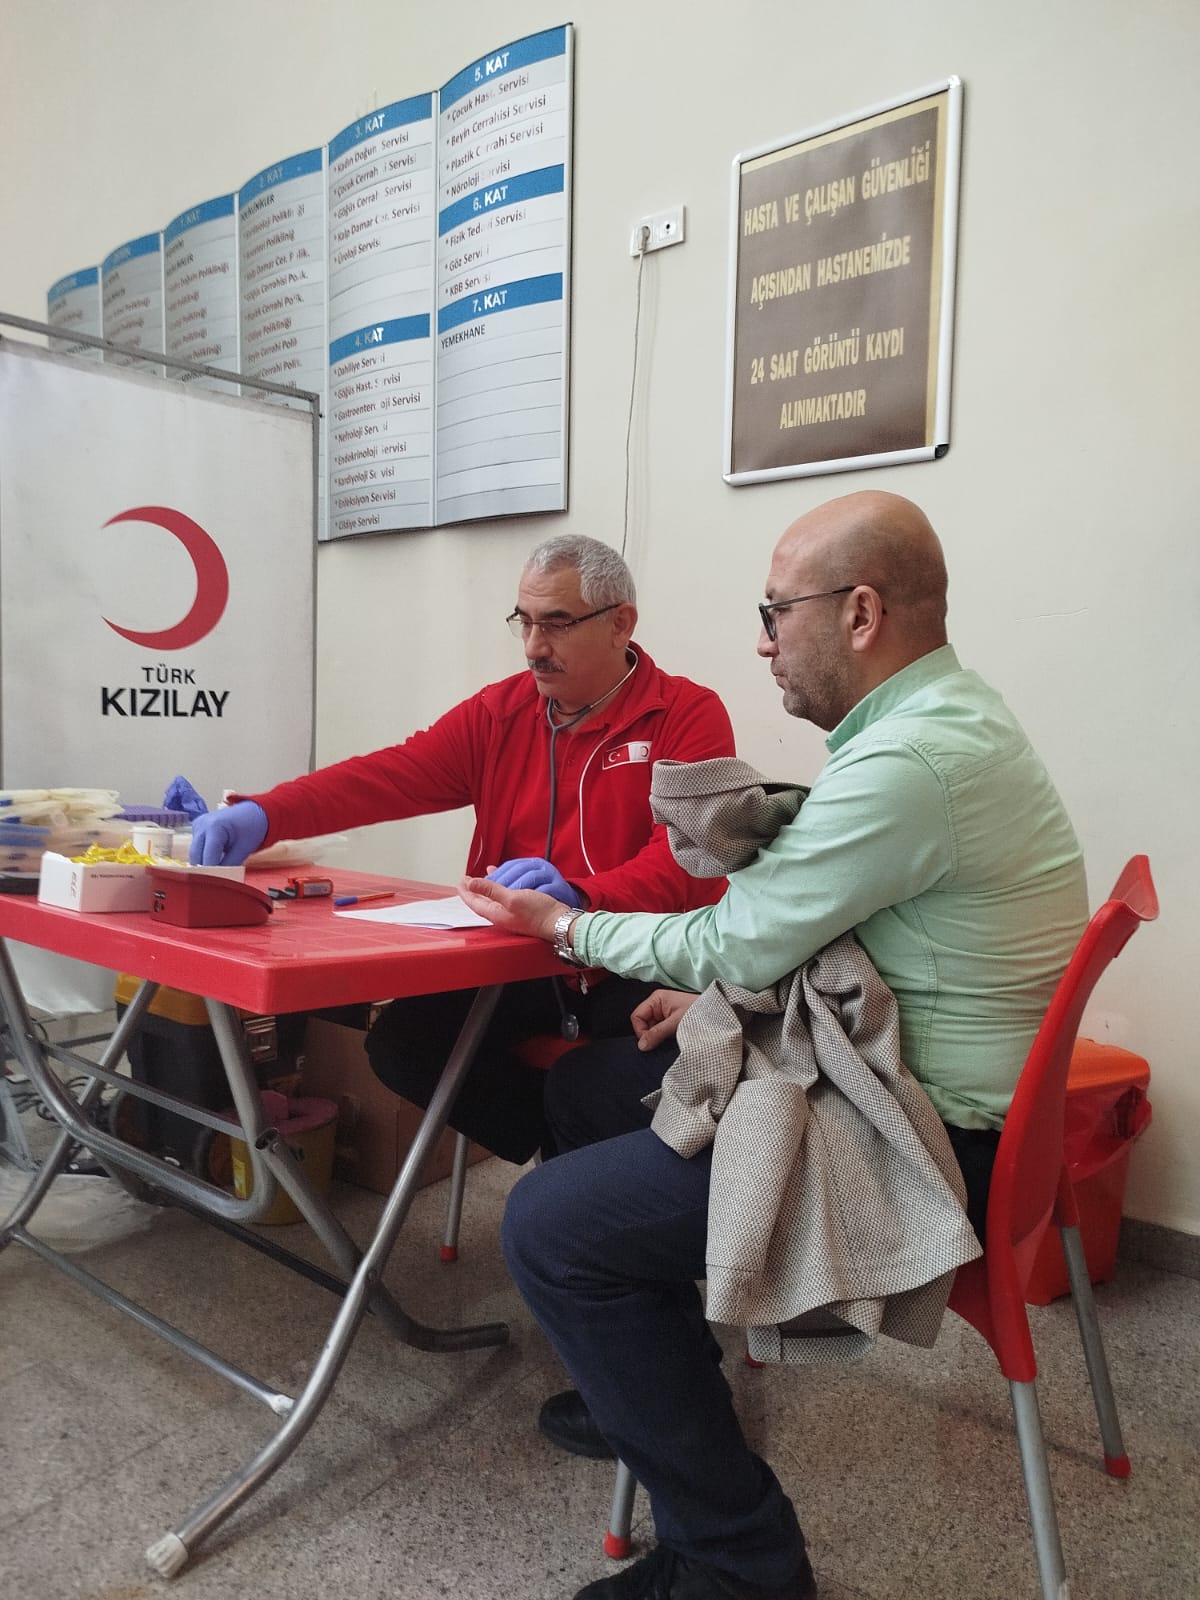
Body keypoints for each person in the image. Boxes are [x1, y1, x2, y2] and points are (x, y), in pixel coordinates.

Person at [458, 491, 1088, 1600]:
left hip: (928, 1142)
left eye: (774, 612)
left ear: (859, 614)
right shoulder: (941, 722)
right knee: (593, 1088)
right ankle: (653, 1380)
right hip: (928, 1093)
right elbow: (817, 931)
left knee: (550, 1228)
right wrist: (718, 992)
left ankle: (739, 1560)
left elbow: (737, 932)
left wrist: (565, 925)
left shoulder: (910, 761)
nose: (762, 642)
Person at [188, 534, 736, 1163]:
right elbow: (389, 777)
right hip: (518, 963)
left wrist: (582, 898)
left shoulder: (686, 715)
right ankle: (553, 1149)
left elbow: (685, 863)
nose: (533, 646)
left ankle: (569, 1157)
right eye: (524, 622)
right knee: (403, 1044)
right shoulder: (500, 714)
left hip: (637, 962)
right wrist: (266, 814)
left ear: (620, 624)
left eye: (557, 623)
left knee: (603, 1084)